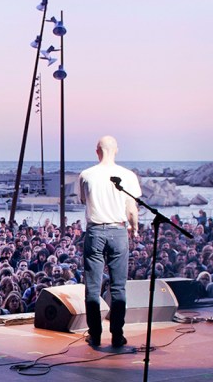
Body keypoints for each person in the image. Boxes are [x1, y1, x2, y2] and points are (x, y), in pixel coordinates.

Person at [79, 135, 140, 348]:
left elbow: (83, 200)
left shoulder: (86, 175)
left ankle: (95, 335)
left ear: (97, 151)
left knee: (93, 287)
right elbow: (131, 208)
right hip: (118, 230)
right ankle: (117, 335)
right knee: (118, 287)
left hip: (95, 231)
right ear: (116, 150)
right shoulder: (128, 175)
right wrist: (135, 227)